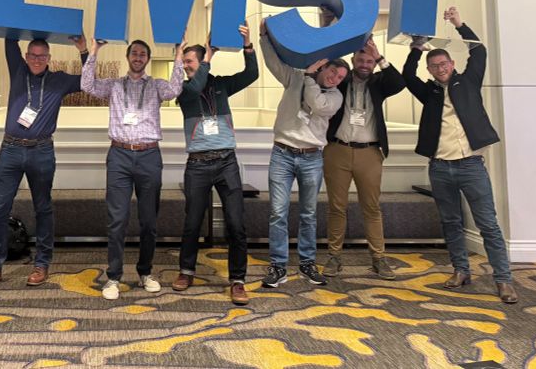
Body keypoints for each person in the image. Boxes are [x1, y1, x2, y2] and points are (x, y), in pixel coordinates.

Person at [402, 6, 517, 304]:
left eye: (444, 64)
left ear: (452, 63)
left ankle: (503, 280)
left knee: (488, 224)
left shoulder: (467, 82)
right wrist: (416, 49)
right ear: (430, 70)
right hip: (440, 168)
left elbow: (479, 53)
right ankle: (461, 271)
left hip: (471, 166)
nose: (440, 68)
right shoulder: (429, 93)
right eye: (434, 66)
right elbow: (406, 75)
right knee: (450, 222)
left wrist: (458, 24)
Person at [0, 35, 88, 290]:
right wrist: (25, 21)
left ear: (49, 58)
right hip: (11, 149)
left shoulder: (59, 80)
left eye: (42, 56)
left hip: (41, 151)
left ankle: (42, 264)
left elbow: (89, 81)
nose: (37, 60)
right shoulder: (17, 70)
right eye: (33, 55)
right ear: (26, 57)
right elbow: (9, 40)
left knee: (43, 208)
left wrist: (83, 51)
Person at [82, 36, 184, 300]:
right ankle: (113, 277)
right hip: (119, 156)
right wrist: (95, 50)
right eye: (134, 53)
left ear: (147, 60)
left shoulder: (157, 86)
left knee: (149, 221)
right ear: (128, 57)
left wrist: (179, 52)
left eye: (143, 54)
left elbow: (175, 89)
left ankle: (145, 272)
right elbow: (87, 84)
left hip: (149, 155)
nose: (138, 58)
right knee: (117, 220)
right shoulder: (114, 85)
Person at [259, 18, 348, 288]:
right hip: (282, 154)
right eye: (333, 73)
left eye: (341, 78)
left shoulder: (335, 96)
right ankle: (278, 266)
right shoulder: (295, 77)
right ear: (324, 65)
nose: (335, 79)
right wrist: (263, 36)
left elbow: (317, 105)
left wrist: (311, 77)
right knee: (277, 212)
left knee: (308, 214)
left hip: (311, 157)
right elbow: (274, 63)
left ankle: (307, 263)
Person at [173, 24, 258, 305]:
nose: (185, 66)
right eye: (184, 62)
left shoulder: (221, 84)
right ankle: (186, 271)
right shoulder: (184, 90)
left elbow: (251, 74)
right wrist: (208, 55)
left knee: (236, 224)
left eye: (189, 61)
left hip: (226, 163)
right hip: (197, 165)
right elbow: (197, 85)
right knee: (192, 223)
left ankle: (238, 280)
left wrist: (248, 45)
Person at [323, 38, 406, 280]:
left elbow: (399, 82)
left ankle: (379, 258)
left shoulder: (380, 82)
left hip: (370, 153)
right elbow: (323, 72)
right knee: (336, 207)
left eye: (369, 61)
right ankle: (334, 256)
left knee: (372, 208)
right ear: (352, 61)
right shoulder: (340, 81)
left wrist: (380, 58)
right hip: (337, 150)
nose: (365, 64)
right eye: (360, 60)